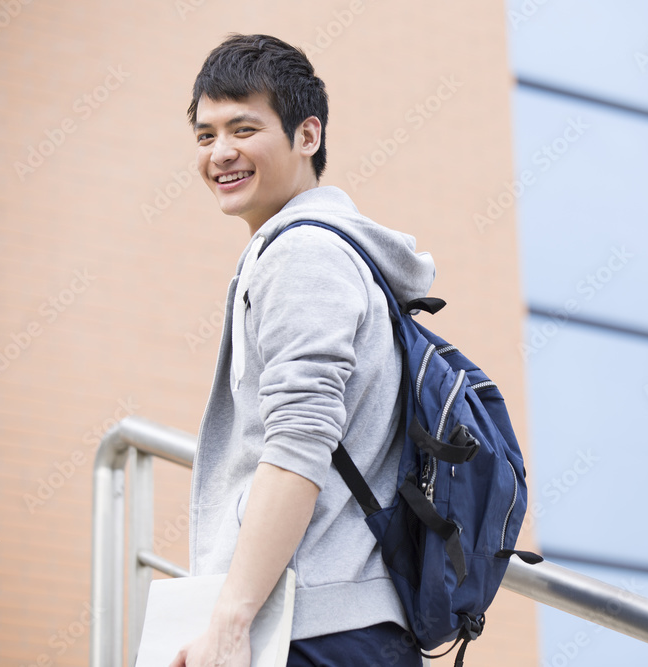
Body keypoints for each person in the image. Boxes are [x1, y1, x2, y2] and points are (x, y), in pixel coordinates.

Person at [171, 33, 434, 667]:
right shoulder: (318, 252)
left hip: (311, 629)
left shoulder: (304, 255)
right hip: (328, 624)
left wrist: (232, 617)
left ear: (307, 135)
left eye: (243, 128)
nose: (221, 153)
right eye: (206, 136)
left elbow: (297, 442)